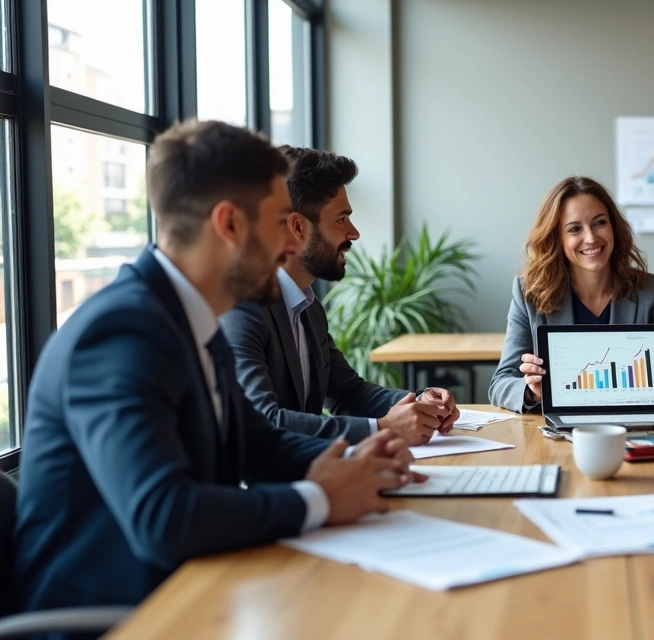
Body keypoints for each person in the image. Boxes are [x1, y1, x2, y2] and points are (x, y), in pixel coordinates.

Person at [13, 121, 420, 617]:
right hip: (123, 617)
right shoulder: (122, 332)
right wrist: (319, 497)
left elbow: (256, 443)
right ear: (228, 225)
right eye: (278, 223)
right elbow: (164, 518)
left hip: (199, 590)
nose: (292, 247)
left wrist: (355, 466)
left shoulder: (191, 317)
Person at [221, 146, 458, 446]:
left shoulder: (307, 306)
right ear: (297, 226)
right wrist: (381, 428)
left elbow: (347, 393)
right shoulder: (241, 307)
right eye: (341, 219)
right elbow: (262, 421)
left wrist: (419, 404)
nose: (354, 233)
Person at [489, 176, 654, 412]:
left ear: (614, 226)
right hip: (558, 430)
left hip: (631, 427)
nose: (591, 238)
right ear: (558, 238)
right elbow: (500, 383)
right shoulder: (529, 294)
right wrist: (531, 392)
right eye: (575, 229)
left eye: (599, 223)